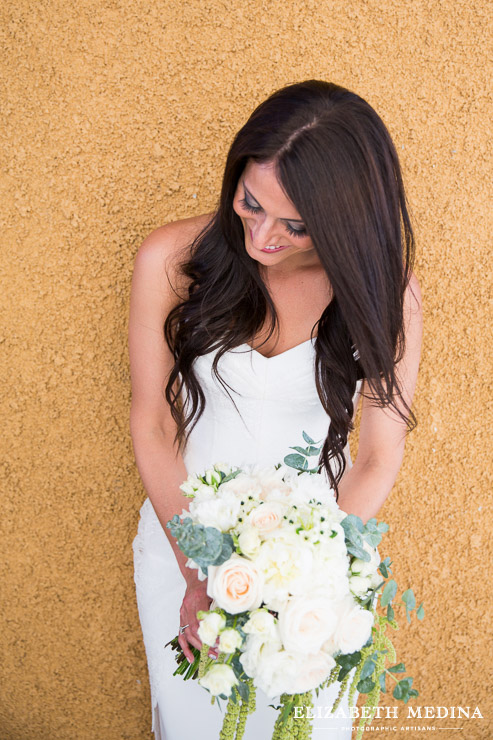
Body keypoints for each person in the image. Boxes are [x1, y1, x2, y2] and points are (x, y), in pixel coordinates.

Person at [128, 79, 423, 739]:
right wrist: (200, 569)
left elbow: (376, 455)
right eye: (249, 203)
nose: (262, 236)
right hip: (182, 546)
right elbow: (152, 420)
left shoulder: (383, 292)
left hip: (315, 570)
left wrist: (311, 580)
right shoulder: (170, 260)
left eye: (294, 224)